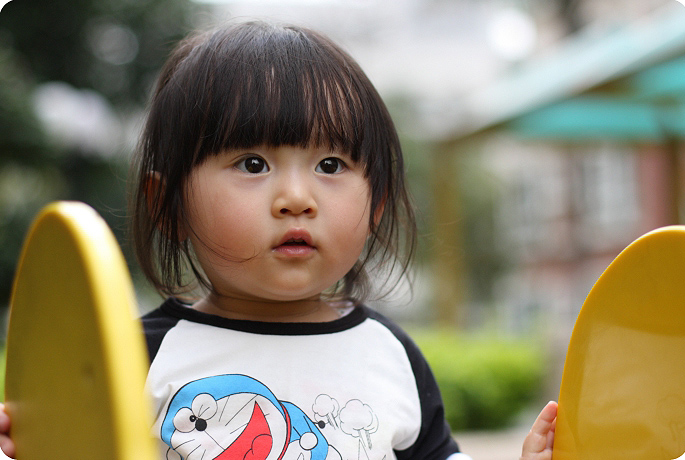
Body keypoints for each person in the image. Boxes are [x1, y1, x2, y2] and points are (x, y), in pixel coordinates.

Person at [0, 20, 557, 460]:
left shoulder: (389, 355)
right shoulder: (132, 358)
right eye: (253, 162)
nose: (297, 197)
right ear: (167, 207)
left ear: (376, 206)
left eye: (331, 164)